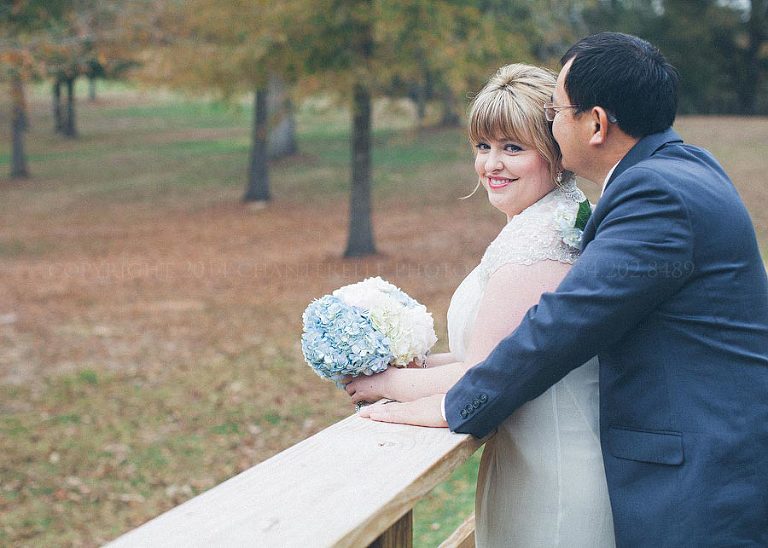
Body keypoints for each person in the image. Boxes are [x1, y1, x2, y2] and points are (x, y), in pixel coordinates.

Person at [359, 32, 768, 546]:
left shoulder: (655, 195)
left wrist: (449, 405)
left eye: (556, 111)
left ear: (595, 123)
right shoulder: (686, 167)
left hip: (702, 479)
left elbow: (562, 325)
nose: (551, 124)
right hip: (714, 456)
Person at [345, 63, 615, 546]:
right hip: (534, 458)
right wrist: (416, 363)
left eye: (513, 148)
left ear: (555, 153)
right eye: (483, 146)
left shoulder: (539, 244)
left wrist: (375, 385)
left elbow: (483, 373)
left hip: (548, 475)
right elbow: (499, 349)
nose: (491, 164)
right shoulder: (557, 216)